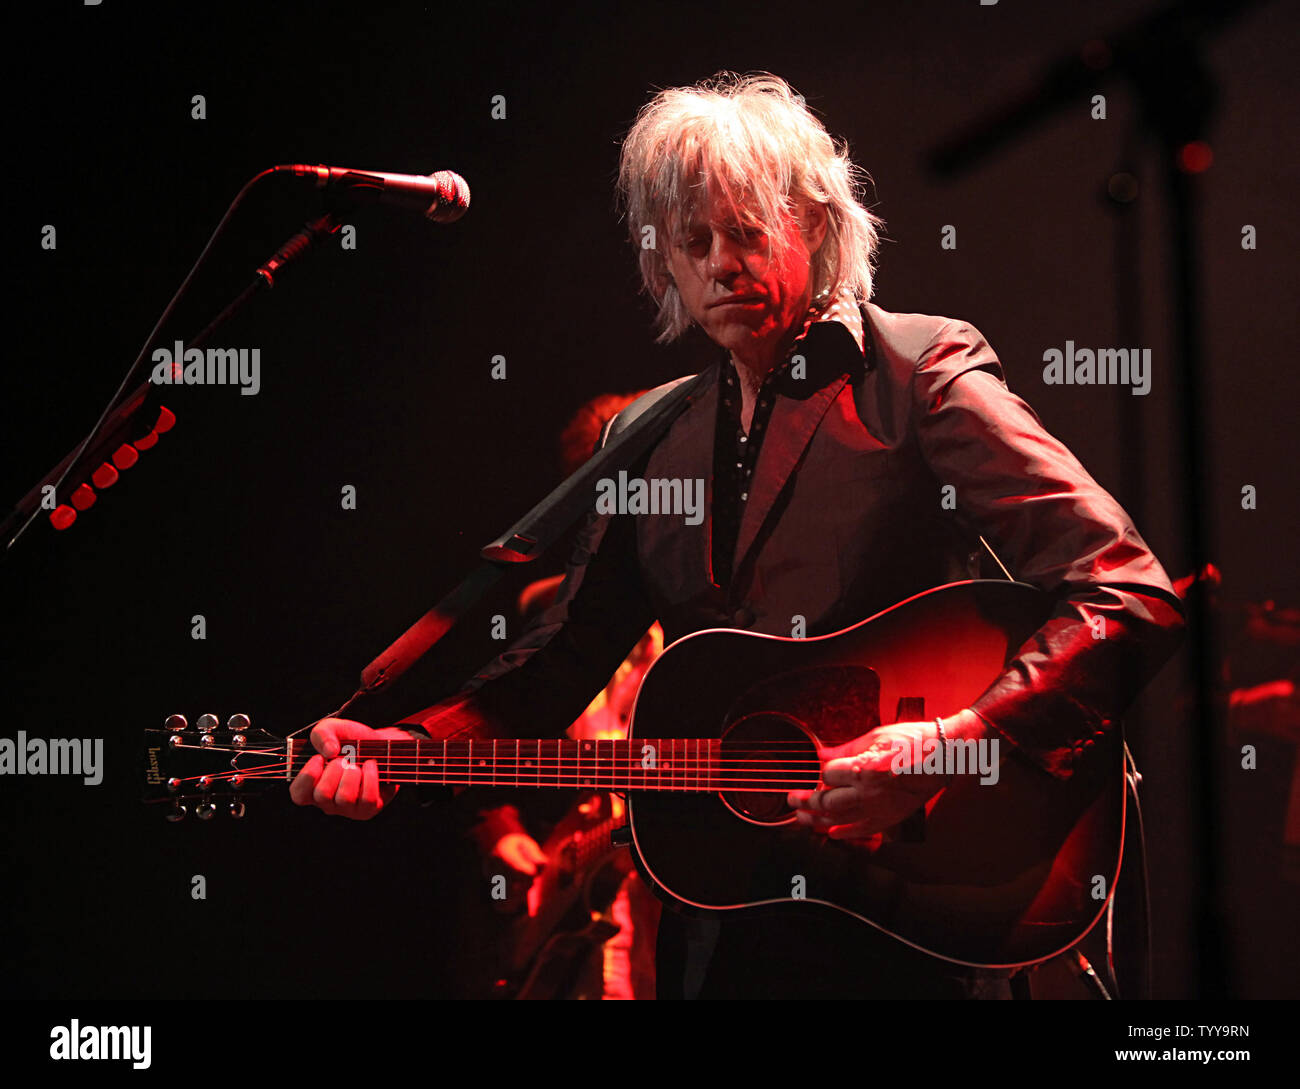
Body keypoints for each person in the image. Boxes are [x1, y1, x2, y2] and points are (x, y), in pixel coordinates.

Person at [290, 72, 1184, 998]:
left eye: (747, 231)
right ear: (663, 265)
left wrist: (956, 744)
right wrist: (406, 748)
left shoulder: (920, 374)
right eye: (692, 241)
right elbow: (555, 666)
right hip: (719, 931)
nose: (720, 262)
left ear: (816, 224)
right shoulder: (646, 438)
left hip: (914, 916)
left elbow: (1129, 591)